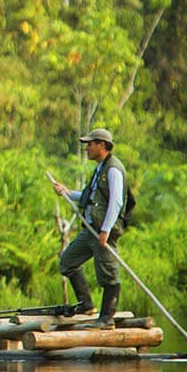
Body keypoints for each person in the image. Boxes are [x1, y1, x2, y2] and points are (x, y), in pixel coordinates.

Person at [50, 128, 128, 328]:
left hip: (102, 230)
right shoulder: (99, 169)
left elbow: (116, 202)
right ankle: (86, 305)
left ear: (102, 145)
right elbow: (91, 197)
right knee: (67, 262)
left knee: (108, 273)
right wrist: (67, 192)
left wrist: (106, 229)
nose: (87, 148)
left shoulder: (113, 169)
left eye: (90, 144)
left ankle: (107, 318)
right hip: (90, 230)